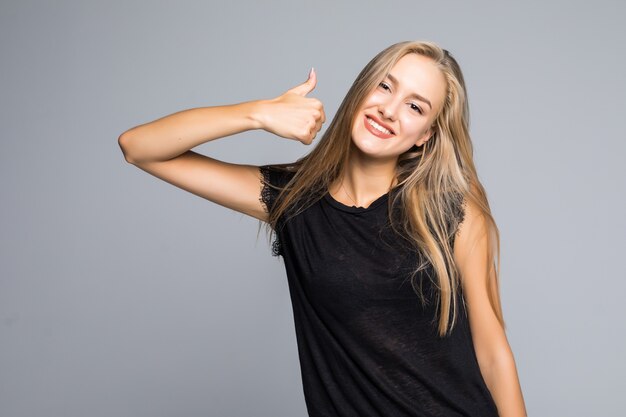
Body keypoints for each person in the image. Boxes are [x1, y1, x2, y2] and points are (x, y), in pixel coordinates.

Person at [118, 40, 527, 417]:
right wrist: (256, 113)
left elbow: (492, 350)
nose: (389, 109)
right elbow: (139, 148)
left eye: (415, 107)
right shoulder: (293, 199)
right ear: (362, 89)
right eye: (385, 87)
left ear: (426, 136)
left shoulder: (452, 205)